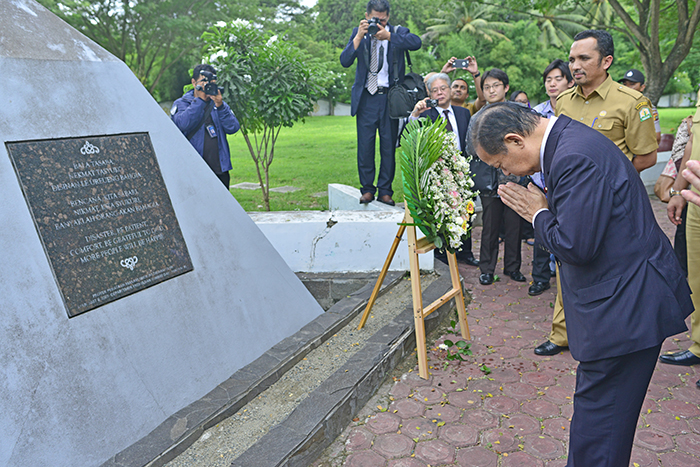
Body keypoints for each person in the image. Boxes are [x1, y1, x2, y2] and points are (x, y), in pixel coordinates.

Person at [468, 102, 692, 467]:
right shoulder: (569, 140)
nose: (504, 173)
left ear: (514, 140)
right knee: (603, 423)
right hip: (625, 300)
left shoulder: (573, 157)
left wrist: (537, 213)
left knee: (599, 427)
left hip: (624, 310)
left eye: (499, 164)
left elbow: (576, 245)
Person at [535, 29, 659, 356]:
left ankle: (611, 333)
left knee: (608, 268)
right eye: (572, 59)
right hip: (571, 201)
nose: (575, 66)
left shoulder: (632, 103)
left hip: (614, 206)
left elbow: (646, 155)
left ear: (606, 61)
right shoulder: (563, 101)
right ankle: (562, 333)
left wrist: (611, 186)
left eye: (583, 59)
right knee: (567, 262)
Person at [340, 0, 421, 206]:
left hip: (390, 98)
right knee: (365, 146)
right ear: (367, 16)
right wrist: (359, 35)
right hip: (366, 98)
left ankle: (385, 190)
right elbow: (345, 60)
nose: (379, 23)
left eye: (383, 20)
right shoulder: (359, 34)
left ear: (388, 17)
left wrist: (390, 36)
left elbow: (416, 42)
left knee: (388, 146)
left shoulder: (397, 32)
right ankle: (367, 189)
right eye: (376, 19)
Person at [410, 73, 478, 267]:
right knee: (443, 212)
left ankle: (465, 252)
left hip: (462, 170)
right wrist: (415, 114)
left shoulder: (463, 112)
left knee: (467, 210)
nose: (439, 93)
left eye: (443, 89)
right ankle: (443, 255)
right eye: (434, 90)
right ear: (429, 94)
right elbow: (412, 132)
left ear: (450, 90)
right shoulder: (426, 113)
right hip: (438, 171)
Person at [660, 88, 700, 375]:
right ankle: (698, 345)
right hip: (696, 198)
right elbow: (692, 144)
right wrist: (678, 190)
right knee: (695, 277)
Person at [529, 59, 575, 297]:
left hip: (569, 183)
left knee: (569, 231)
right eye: (548, 80)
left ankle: (567, 278)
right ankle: (539, 278)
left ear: (570, 81)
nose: (553, 84)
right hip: (542, 182)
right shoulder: (536, 113)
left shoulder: (576, 111)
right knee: (542, 229)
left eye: (558, 79)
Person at [475, 68, 526, 285]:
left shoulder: (517, 113)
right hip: (489, 180)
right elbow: (473, 148)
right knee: (490, 226)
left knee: (514, 226)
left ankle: (513, 267)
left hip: (513, 178)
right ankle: (487, 268)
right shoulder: (478, 117)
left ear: (505, 87)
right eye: (486, 87)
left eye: (495, 85)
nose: (491, 90)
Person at [171, 64, 240, 188]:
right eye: (204, 81)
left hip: (220, 170)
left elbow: (233, 127)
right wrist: (200, 101)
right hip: (193, 170)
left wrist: (220, 105)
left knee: (222, 206)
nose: (207, 85)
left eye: (211, 83)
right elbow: (182, 124)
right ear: (193, 82)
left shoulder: (218, 104)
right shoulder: (182, 103)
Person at [620, 68, 662, 144]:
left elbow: (656, 137)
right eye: (625, 84)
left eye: (632, 84)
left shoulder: (646, 107)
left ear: (642, 87)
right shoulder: (617, 105)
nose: (627, 88)